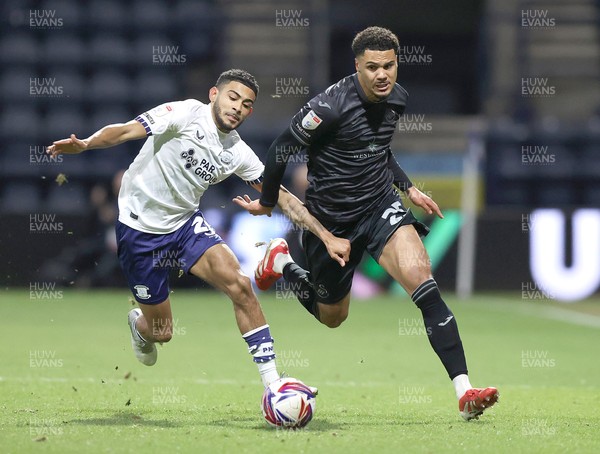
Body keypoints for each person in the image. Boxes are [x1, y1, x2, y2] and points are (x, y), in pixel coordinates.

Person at [235, 28, 499, 421]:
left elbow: (378, 148)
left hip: (379, 207)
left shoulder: (398, 98)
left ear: (397, 64)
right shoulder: (328, 108)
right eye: (372, 67)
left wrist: (408, 189)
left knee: (421, 281)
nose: (382, 75)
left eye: (389, 66)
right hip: (331, 220)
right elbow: (278, 151)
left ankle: (465, 392)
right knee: (333, 317)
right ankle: (283, 264)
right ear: (357, 65)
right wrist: (270, 202)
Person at [47, 69, 345, 391]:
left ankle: (273, 385)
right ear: (214, 95)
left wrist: (326, 236)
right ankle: (140, 327)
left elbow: (282, 197)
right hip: (139, 230)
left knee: (240, 285)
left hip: (185, 225)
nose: (237, 108)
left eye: (246, 104)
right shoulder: (184, 114)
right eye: (232, 97)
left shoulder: (237, 152)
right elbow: (126, 131)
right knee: (162, 332)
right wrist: (87, 143)